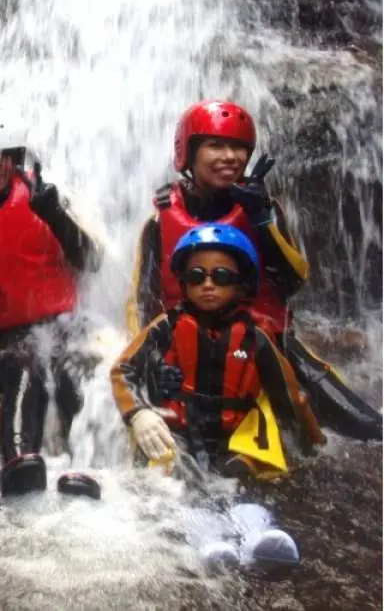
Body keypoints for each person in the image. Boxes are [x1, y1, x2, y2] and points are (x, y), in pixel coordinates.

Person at [127, 99, 381, 441]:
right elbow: (142, 301)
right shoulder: (159, 220)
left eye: (238, 147)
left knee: (365, 427)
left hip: (262, 340)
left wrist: (261, 220)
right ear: (188, 152)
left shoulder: (264, 206)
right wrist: (155, 361)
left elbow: (292, 281)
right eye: (216, 145)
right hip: (182, 344)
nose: (230, 157)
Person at [112, 224, 327, 569]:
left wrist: (313, 445)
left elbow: (291, 396)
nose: (208, 285)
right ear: (183, 282)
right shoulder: (165, 327)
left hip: (234, 435)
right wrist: (137, 414)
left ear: (242, 285)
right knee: (181, 480)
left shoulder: (254, 338)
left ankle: (258, 534)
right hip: (181, 430)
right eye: (197, 276)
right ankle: (207, 538)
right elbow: (122, 371)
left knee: (241, 479)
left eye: (222, 277)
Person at [0, 100, 103, 499]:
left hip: (65, 323)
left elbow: (92, 260)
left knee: (79, 372)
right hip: (6, 337)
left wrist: (53, 213)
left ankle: (88, 470)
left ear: (18, 157)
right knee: (23, 367)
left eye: (4, 157)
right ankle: (19, 461)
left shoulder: (49, 198)